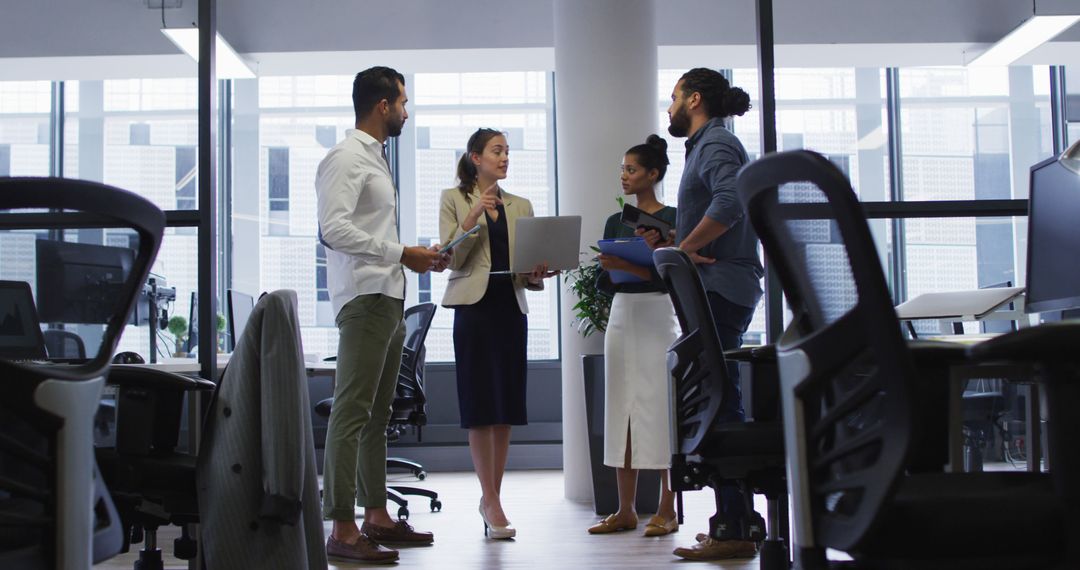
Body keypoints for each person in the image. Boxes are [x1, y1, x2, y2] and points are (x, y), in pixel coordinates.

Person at [316, 66, 450, 564]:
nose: (406, 112)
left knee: (377, 415)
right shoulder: (345, 158)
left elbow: (369, 232)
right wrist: (399, 253)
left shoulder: (374, 159)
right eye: (403, 103)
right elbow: (333, 230)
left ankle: (376, 515)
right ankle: (342, 528)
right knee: (352, 412)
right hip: (365, 297)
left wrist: (417, 255)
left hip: (388, 296)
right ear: (382, 106)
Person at [642, 68, 765, 561]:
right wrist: (681, 244)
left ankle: (735, 524)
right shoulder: (706, 145)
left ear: (693, 99)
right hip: (716, 287)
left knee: (721, 400)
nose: (667, 107)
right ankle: (730, 520)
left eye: (673, 98)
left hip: (722, 288)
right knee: (718, 396)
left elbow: (733, 200)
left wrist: (686, 248)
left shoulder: (715, 143)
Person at [439, 128, 558, 540]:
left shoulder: (520, 204)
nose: (505, 158)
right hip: (474, 308)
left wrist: (538, 273)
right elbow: (450, 258)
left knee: (505, 406)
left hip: (510, 306)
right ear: (476, 157)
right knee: (480, 403)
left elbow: (526, 267)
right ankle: (489, 499)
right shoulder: (454, 199)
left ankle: (494, 497)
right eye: (497, 151)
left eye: (507, 151)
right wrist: (473, 216)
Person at [586, 135, 680, 538]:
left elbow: (672, 275)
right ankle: (624, 510)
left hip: (658, 312)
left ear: (653, 174)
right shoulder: (616, 220)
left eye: (632, 169)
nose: (624, 175)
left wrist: (642, 263)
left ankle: (667, 507)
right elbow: (605, 277)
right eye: (623, 169)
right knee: (621, 405)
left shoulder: (674, 218)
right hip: (624, 312)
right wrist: (619, 265)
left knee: (658, 406)